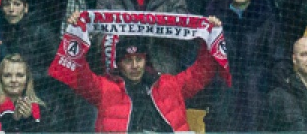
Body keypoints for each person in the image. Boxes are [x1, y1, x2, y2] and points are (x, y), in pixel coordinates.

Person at [46, 11, 222, 132]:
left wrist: (209, 36)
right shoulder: (104, 89)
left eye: (139, 59)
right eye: (128, 60)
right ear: (119, 64)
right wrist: (76, 33)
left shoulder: (169, 84)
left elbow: (202, 72)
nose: (135, 65)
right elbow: (77, 75)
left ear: (146, 60)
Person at [203, 0, 285, 133]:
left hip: (256, 92)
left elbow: (278, 57)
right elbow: (203, 56)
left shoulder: (266, 17)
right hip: (222, 89)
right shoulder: (214, 16)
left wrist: (269, 85)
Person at [0, 54, 48, 132]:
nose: (13, 80)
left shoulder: (41, 109)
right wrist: (13, 119)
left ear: (27, 79)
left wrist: (28, 119)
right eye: (7, 75)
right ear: (0, 79)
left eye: (19, 75)